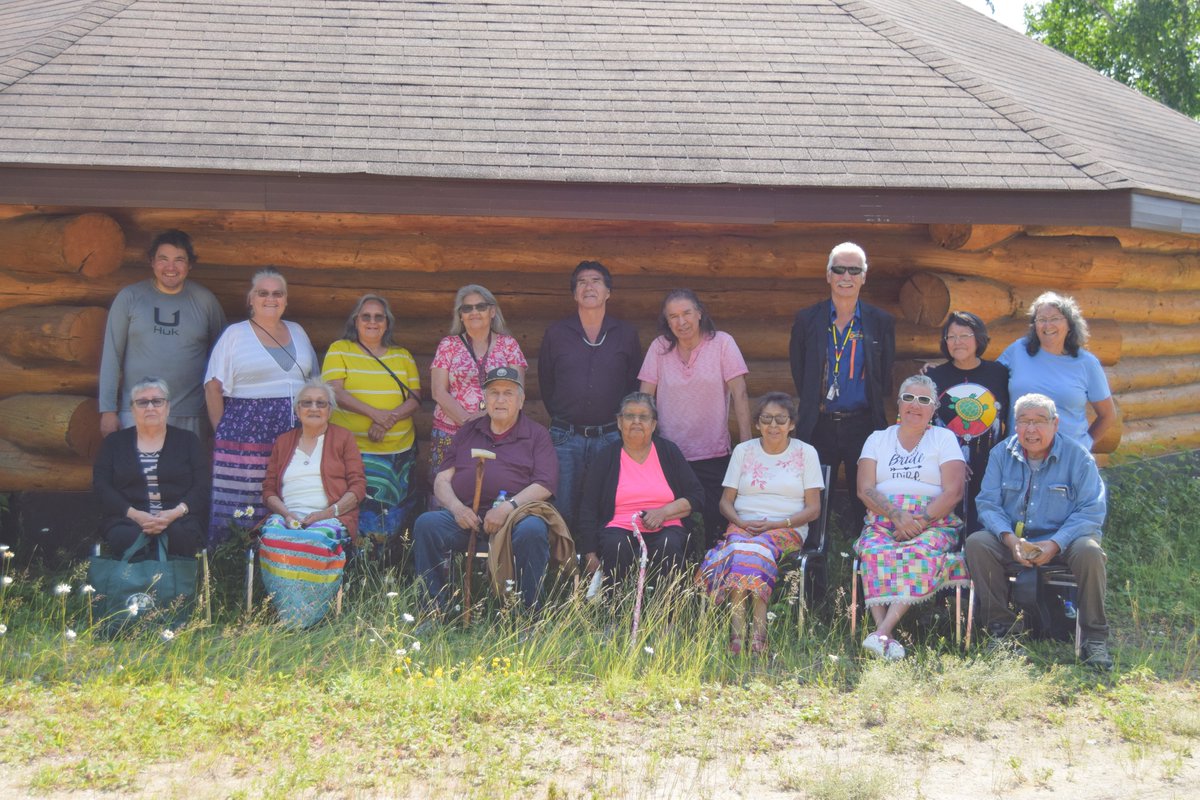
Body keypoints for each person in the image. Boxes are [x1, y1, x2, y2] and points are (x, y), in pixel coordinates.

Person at [966, 393, 1112, 670]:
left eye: (1039, 421)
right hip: (1015, 541)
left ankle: (1094, 638)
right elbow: (988, 504)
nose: (1031, 429)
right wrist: (1010, 539)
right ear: (1015, 424)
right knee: (977, 543)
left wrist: (1055, 543)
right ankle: (1001, 631)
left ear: (1055, 424)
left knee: (1090, 551)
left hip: (1064, 542)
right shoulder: (1000, 454)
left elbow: (1091, 510)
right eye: (1024, 421)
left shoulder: (1078, 457)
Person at [413, 366, 558, 611]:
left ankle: (528, 613)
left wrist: (507, 509)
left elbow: (544, 484)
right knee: (427, 524)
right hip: (467, 518)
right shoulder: (468, 431)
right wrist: (457, 509)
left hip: (515, 518)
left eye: (508, 393)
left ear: (521, 400)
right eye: (494, 393)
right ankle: (432, 610)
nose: (500, 400)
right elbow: (442, 480)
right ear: (484, 398)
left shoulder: (537, 435)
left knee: (533, 530)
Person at [701, 393, 824, 655]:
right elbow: (725, 502)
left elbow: (814, 509)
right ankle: (740, 636)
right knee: (742, 550)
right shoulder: (743, 451)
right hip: (742, 525)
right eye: (766, 419)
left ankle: (755, 635)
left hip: (786, 528)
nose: (773, 425)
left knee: (752, 551)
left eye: (781, 419)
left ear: (791, 424)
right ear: (757, 424)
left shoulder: (806, 453)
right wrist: (740, 522)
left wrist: (777, 524)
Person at [854, 375, 967, 660]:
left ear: (934, 408)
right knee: (873, 551)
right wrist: (896, 515)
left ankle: (882, 632)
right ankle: (885, 637)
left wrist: (920, 522)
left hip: (934, 520)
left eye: (924, 400)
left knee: (918, 552)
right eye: (909, 398)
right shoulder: (877, 439)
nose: (915, 405)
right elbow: (865, 489)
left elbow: (954, 491)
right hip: (883, 519)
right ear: (899, 402)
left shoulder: (944, 438)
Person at [204, 268, 318, 545]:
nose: (271, 298)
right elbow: (213, 386)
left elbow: (314, 380)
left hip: (293, 433)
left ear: (286, 300)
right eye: (263, 293)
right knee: (244, 501)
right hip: (245, 434)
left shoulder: (298, 331)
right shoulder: (235, 334)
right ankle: (232, 560)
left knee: (288, 494)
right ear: (250, 299)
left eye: (278, 293)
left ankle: (283, 557)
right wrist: (223, 433)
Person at [789, 242, 895, 530]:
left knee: (866, 494)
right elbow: (800, 370)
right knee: (816, 493)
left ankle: (865, 548)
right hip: (820, 421)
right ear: (828, 275)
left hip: (863, 423)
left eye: (854, 270)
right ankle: (815, 551)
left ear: (864, 277)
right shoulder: (807, 319)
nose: (846, 276)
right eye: (839, 269)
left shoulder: (881, 322)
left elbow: (884, 373)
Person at [638, 288, 750, 549]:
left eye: (686, 313)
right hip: (670, 454)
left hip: (713, 452)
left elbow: (740, 394)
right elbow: (644, 399)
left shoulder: (722, 343)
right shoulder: (659, 348)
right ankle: (677, 571)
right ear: (667, 321)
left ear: (699, 313)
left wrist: (746, 447)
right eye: (673, 316)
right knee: (673, 524)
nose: (681, 321)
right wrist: (643, 447)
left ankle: (714, 569)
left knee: (717, 520)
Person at [539, 261, 641, 533]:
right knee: (561, 506)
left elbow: (633, 384)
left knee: (608, 503)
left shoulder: (625, 334)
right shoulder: (557, 334)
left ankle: (603, 557)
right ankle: (563, 559)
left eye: (596, 281)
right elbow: (546, 382)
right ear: (574, 294)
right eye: (582, 282)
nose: (588, 287)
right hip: (565, 436)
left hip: (611, 435)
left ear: (608, 292)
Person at [98, 229, 226, 438]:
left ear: (190, 265)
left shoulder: (205, 301)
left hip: (190, 414)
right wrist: (108, 410)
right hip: (137, 412)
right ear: (152, 262)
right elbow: (112, 355)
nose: (170, 267)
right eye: (163, 259)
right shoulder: (130, 298)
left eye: (179, 260)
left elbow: (223, 360)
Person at [322, 294, 421, 550]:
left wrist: (387, 420)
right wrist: (375, 415)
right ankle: (355, 565)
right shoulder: (340, 349)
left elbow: (414, 399)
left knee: (393, 517)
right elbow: (335, 392)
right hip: (354, 452)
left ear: (387, 323)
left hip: (399, 454)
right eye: (366, 316)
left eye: (379, 317)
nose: (372, 322)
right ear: (356, 321)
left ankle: (388, 565)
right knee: (357, 513)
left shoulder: (402, 356)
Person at [576, 392, 703, 591]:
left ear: (653, 424)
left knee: (669, 544)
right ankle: (616, 607)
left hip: (667, 525)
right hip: (619, 526)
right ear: (619, 422)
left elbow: (696, 496)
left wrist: (663, 513)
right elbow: (588, 506)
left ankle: (667, 607)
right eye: (629, 416)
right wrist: (590, 552)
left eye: (643, 417)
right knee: (615, 545)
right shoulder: (606, 457)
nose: (636, 421)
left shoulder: (668, 451)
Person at [92, 377, 207, 557]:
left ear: (167, 407)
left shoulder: (188, 441)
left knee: (180, 536)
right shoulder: (114, 443)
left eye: (157, 401)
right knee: (127, 537)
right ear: (132, 409)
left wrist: (175, 513)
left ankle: (174, 577)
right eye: (142, 402)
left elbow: (202, 485)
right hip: (127, 518)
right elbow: (101, 486)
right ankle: (134, 577)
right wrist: (135, 515)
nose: (150, 407)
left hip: (179, 517)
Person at [998, 292, 1116, 452]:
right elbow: (988, 382)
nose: (1048, 325)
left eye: (1055, 319)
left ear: (1069, 325)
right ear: (1034, 326)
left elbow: (1108, 415)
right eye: (1041, 320)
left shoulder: (1087, 363)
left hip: (1068, 460)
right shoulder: (1017, 351)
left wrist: (1084, 446)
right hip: (1019, 455)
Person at [927, 311, 1010, 534]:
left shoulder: (999, 374)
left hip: (991, 467)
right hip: (946, 468)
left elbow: (1009, 419)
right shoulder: (934, 377)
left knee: (982, 528)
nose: (958, 342)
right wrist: (951, 460)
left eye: (964, 335)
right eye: (951, 337)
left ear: (978, 338)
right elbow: (928, 426)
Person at [430, 284, 527, 474]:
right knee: (445, 486)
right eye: (467, 308)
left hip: (496, 432)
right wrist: (469, 423)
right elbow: (438, 391)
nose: (474, 312)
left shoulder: (509, 345)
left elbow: (518, 391)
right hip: (450, 433)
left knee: (491, 484)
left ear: (492, 311)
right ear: (460, 315)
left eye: (481, 307)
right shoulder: (448, 345)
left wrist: (484, 419)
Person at [260, 380, 367, 541]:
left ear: (329, 411)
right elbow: (269, 490)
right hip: (286, 517)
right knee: (272, 537)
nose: (314, 408)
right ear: (297, 410)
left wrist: (326, 514)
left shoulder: (344, 438)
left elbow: (358, 486)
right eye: (307, 403)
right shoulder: (283, 441)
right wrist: (286, 514)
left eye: (321, 403)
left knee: (314, 539)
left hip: (331, 518)